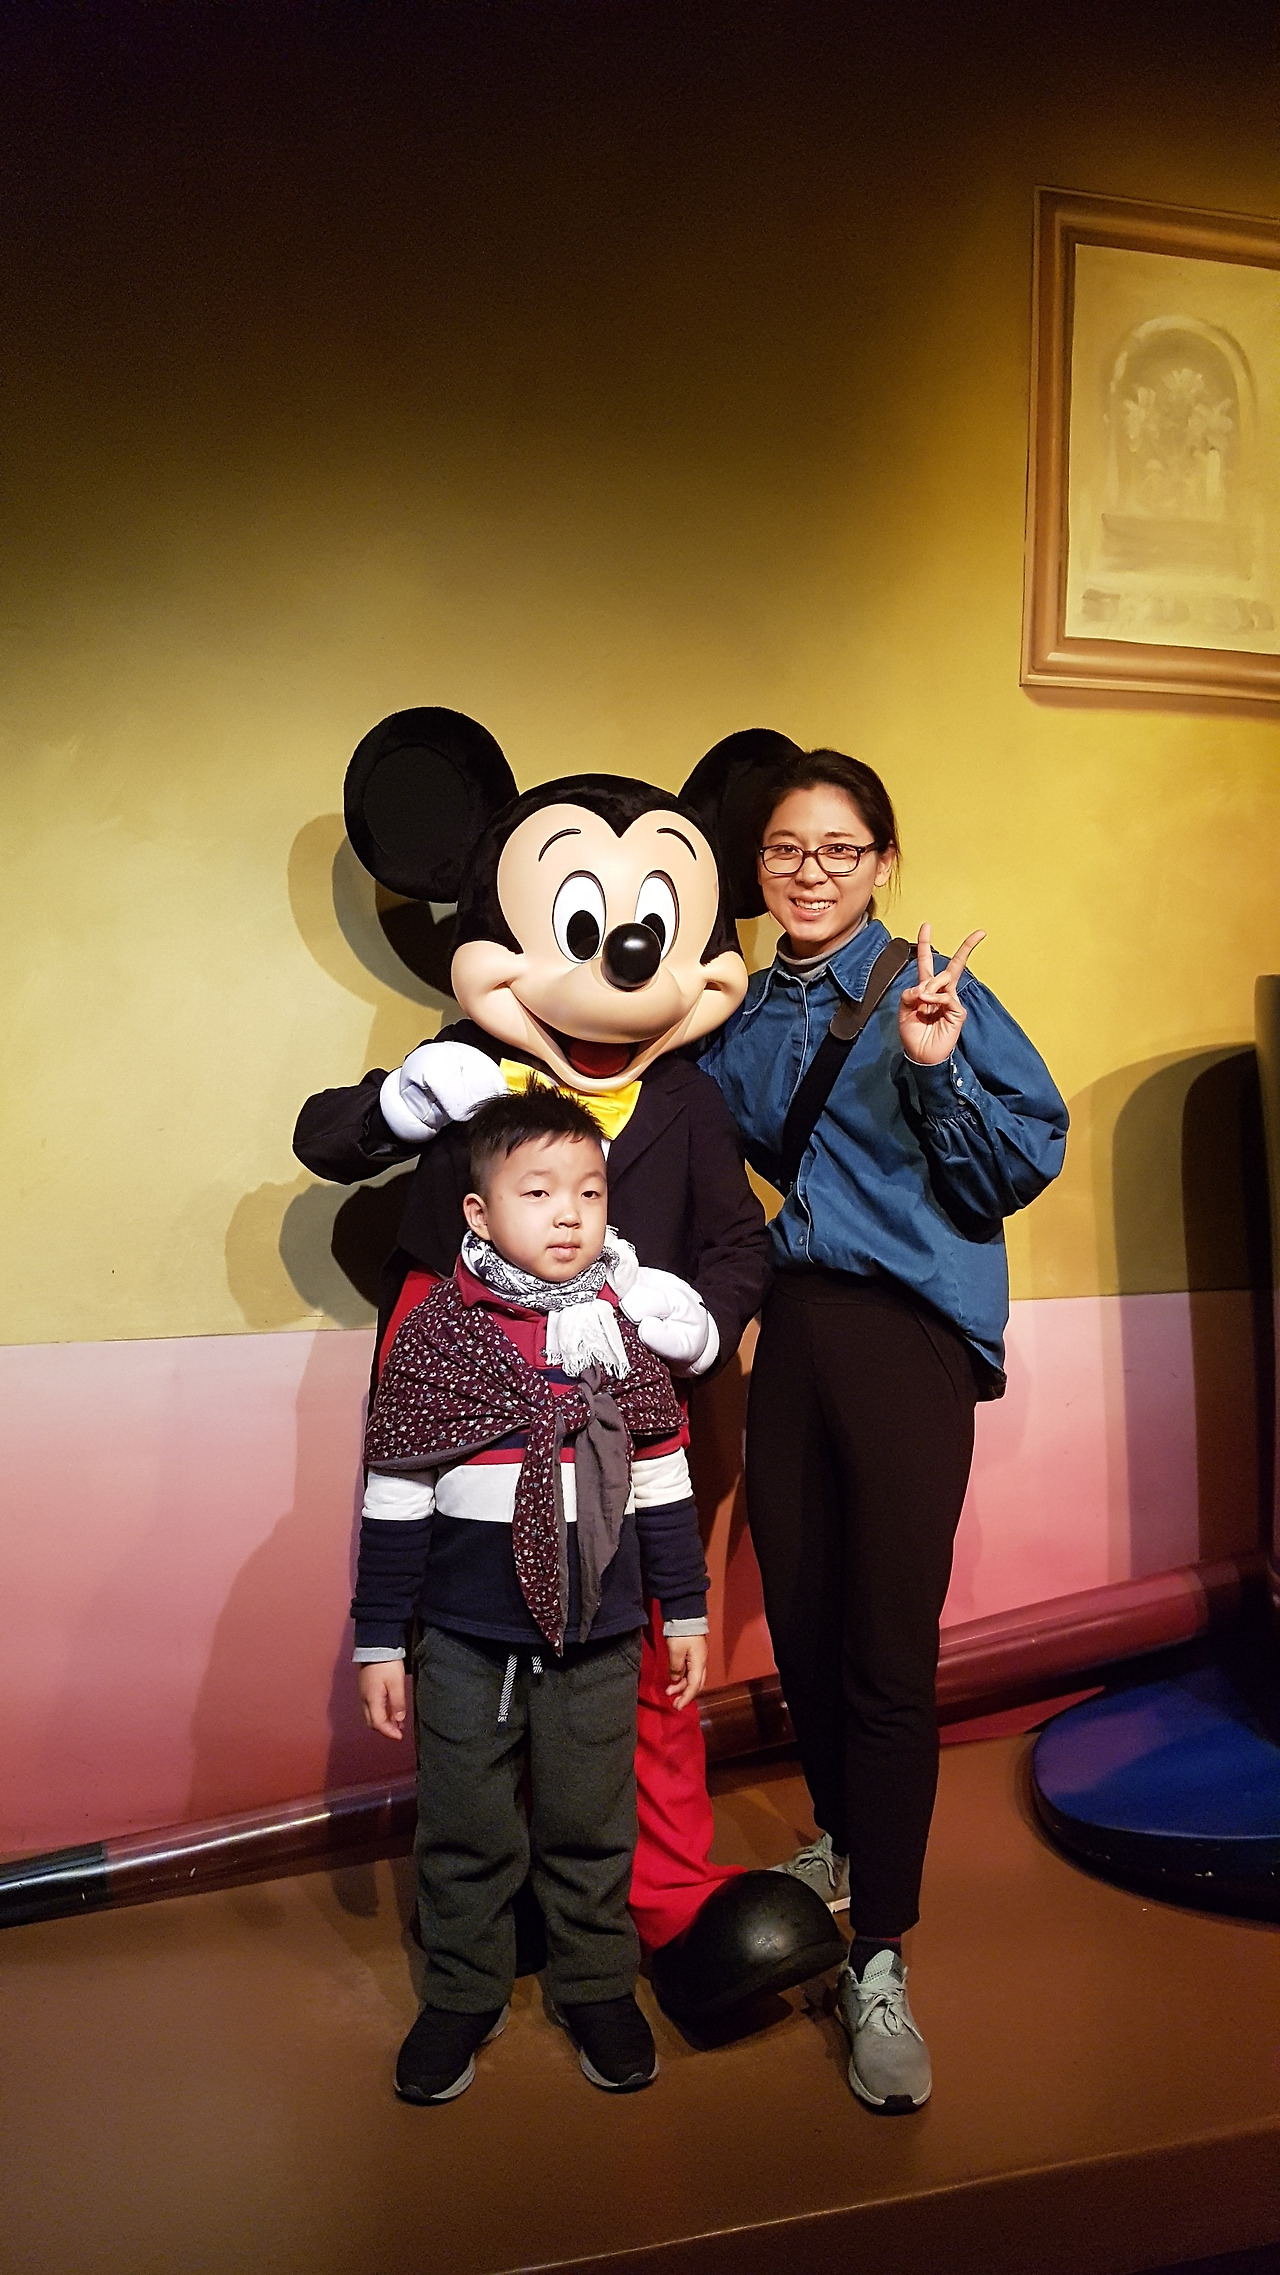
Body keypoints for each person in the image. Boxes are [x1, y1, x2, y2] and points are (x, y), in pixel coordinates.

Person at [699, 745, 1068, 2113]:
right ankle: (846, 1839)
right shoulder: (738, 1012)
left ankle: (882, 1954)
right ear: (759, 867)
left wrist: (934, 1065)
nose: (810, 872)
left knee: (886, 1643)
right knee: (799, 1618)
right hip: (794, 1324)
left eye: (839, 848)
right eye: (786, 849)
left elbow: (1014, 1166)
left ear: (882, 862)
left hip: (907, 1331)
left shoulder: (926, 985)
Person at [352, 1083, 711, 2104]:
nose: (568, 1214)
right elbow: (393, 1498)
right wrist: (380, 1641)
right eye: (539, 1191)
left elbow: (661, 1479)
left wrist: (683, 1609)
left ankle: (594, 1984)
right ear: (479, 1212)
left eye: (589, 1192)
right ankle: (461, 1992)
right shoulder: (437, 1336)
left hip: (598, 1630)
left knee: (591, 1820)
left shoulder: (622, 1333)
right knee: (464, 1825)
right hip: (465, 1636)